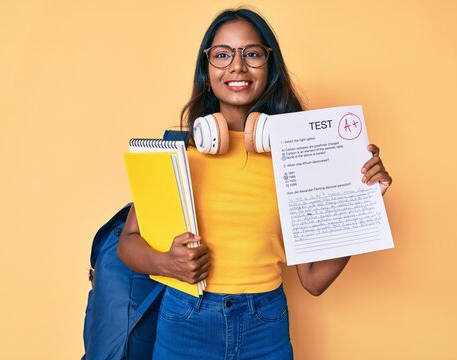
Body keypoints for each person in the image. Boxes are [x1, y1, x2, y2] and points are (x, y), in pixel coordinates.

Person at [117, 7, 392, 360]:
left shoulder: (300, 156)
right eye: (222, 54)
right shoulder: (178, 152)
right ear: (207, 69)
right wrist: (165, 263)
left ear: (269, 64)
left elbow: (314, 280)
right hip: (185, 320)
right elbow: (128, 243)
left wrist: (364, 203)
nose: (237, 66)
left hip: (265, 323)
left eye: (251, 53)